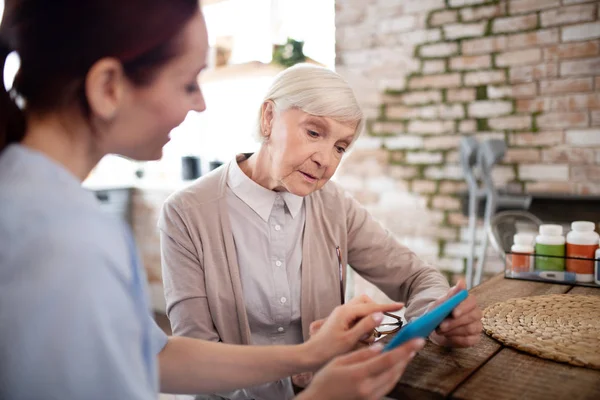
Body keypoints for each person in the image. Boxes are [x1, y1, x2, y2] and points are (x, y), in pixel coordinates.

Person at [0, 1, 426, 399]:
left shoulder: (46, 206)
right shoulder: (60, 240)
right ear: (108, 86)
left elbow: (157, 355)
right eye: (188, 83)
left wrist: (310, 356)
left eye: (341, 146)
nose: (202, 104)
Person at [159, 64, 483, 399]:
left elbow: (418, 277)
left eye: (340, 147)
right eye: (314, 133)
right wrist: (299, 378)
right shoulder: (186, 213)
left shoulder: (335, 205)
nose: (325, 160)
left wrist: (438, 319)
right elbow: (194, 360)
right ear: (268, 117)